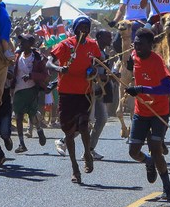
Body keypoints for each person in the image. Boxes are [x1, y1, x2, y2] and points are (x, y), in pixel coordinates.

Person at [47, 16, 102, 184]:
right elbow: (49, 62)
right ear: (75, 29)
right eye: (81, 27)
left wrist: (94, 70)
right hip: (66, 93)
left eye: (87, 27)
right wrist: (59, 68)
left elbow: (99, 63)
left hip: (84, 92)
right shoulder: (65, 45)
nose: (84, 31)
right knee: (69, 133)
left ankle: (87, 153)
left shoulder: (93, 45)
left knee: (84, 126)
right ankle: (74, 168)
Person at [124, 27, 170, 200]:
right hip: (141, 111)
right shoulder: (133, 54)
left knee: (155, 148)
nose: (137, 48)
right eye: (135, 44)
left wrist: (142, 89)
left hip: (159, 112)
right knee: (133, 152)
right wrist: (129, 66)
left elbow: (167, 89)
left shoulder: (157, 62)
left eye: (141, 45)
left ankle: (167, 187)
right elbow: (131, 61)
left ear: (150, 45)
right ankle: (148, 162)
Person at [12, 35, 48, 153]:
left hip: (31, 89)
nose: (21, 43)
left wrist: (31, 76)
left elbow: (45, 75)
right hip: (18, 91)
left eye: (24, 41)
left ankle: (39, 130)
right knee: (18, 117)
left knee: (32, 114)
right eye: (20, 41)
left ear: (30, 44)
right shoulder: (17, 56)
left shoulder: (37, 57)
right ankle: (22, 143)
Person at [88, 29, 114, 160]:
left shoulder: (105, 53)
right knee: (87, 122)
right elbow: (87, 71)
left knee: (102, 119)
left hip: (100, 90)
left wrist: (110, 76)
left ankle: (90, 149)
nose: (110, 39)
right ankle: (64, 142)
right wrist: (101, 75)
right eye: (108, 36)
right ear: (99, 37)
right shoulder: (91, 51)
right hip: (90, 89)